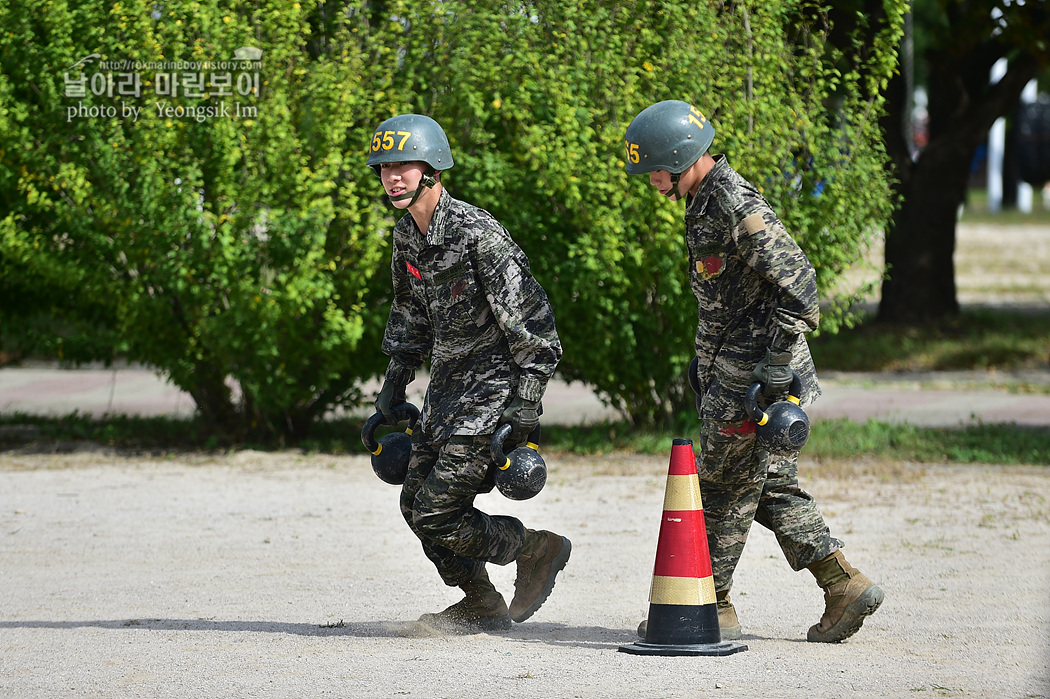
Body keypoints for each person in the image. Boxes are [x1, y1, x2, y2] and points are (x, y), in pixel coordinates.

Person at [623, 100, 884, 643]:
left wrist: (776, 371)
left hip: (756, 376)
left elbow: (801, 286)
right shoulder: (702, 200)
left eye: (652, 168)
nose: (648, 179)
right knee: (769, 483)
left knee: (719, 484)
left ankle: (708, 604)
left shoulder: (734, 203)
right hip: (732, 367)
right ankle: (843, 585)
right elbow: (726, 297)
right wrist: (706, 360)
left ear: (678, 157)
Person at [367, 113, 570, 634]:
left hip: (492, 394)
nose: (392, 177)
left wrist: (526, 404)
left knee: (437, 509)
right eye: (385, 167)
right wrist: (393, 385)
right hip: (446, 394)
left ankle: (535, 548)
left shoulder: (478, 234)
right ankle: (481, 601)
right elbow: (409, 313)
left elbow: (535, 326)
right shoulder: (406, 238)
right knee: (415, 505)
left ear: (432, 168)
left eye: (403, 166)